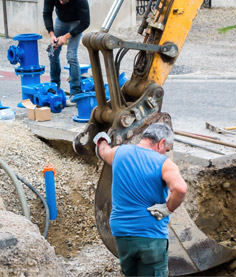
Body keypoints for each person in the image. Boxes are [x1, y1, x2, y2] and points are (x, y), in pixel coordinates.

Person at [93, 123, 187, 276]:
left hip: (121, 234)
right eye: (166, 150)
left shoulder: (119, 153)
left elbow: (103, 152)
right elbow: (180, 189)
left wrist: (101, 139)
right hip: (150, 236)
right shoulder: (164, 164)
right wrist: (168, 208)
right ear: (161, 142)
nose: (165, 154)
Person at [43, 0, 90, 97]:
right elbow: (46, 14)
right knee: (52, 52)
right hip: (60, 21)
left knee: (71, 56)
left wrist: (66, 37)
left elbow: (85, 22)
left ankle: (76, 92)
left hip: (77, 23)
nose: (61, 2)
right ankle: (55, 87)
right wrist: (52, 35)